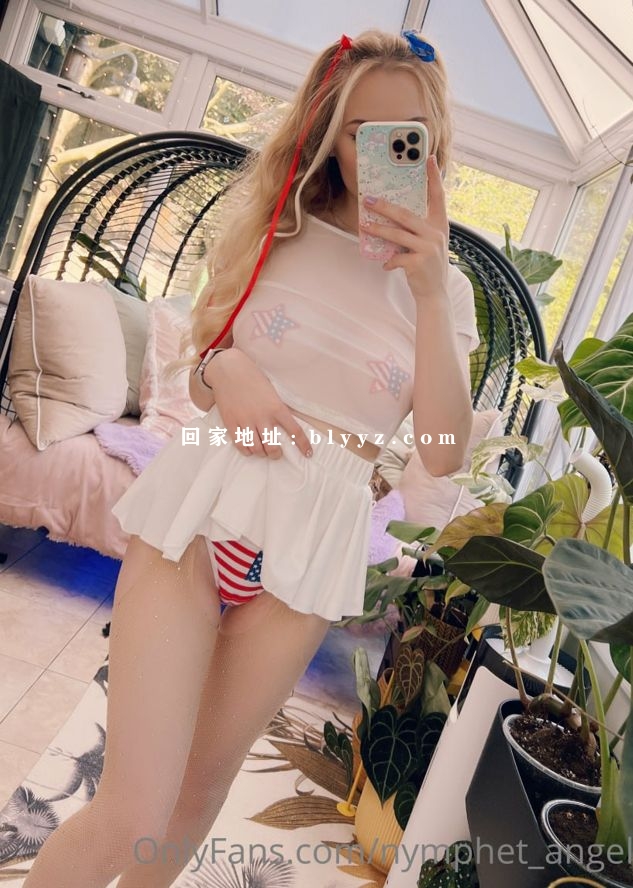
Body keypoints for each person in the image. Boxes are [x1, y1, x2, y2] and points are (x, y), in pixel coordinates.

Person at [22, 28, 478, 888]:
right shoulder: (280, 226)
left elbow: (444, 451)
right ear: (329, 132)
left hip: (309, 550)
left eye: (406, 133)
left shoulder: (445, 289)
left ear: (433, 137)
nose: (382, 153)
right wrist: (225, 370)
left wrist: (424, 287)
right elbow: (201, 376)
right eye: (361, 131)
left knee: (196, 799)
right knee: (132, 813)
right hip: (203, 507)